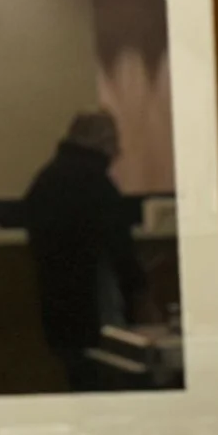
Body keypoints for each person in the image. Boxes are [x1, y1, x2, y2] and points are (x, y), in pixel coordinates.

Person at [21, 110, 144, 390]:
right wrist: (139, 290)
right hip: (96, 304)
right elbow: (119, 247)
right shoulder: (96, 184)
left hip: (58, 305)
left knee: (78, 379)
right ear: (102, 142)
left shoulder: (46, 179)